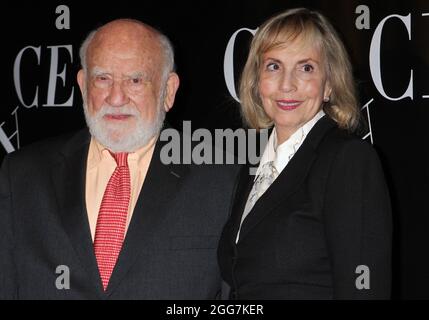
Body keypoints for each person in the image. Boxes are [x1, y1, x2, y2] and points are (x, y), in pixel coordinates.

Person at [0, 19, 238, 299]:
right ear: (82, 84)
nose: (116, 97)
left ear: (168, 91)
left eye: (135, 80)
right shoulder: (22, 176)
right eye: (103, 78)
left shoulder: (223, 178)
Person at [217, 8, 392, 299]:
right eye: (274, 66)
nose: (287, 85)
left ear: (329, 84)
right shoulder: (252, 163)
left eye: (306, 67)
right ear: (257, 80)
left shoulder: (348, 161)